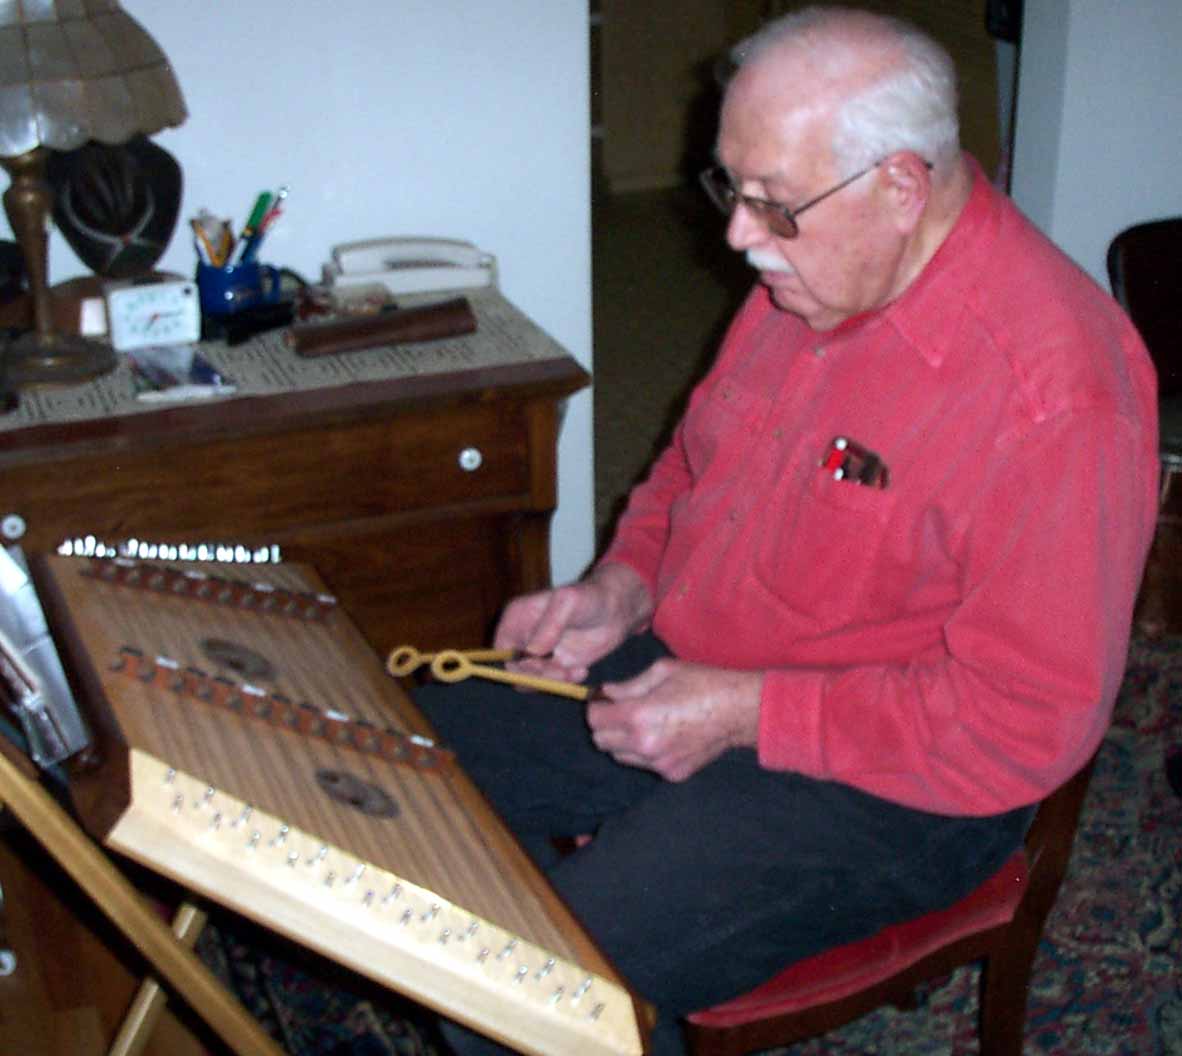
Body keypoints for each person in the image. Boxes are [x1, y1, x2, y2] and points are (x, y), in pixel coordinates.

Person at [416, 7, 1158, 1053]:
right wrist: (620, 588)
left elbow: (1022, 724)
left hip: (904, 783)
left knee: (527, 989)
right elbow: (688, 466)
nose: (737, 236)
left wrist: (744, 712)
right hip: (710, 667)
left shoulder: (1056, 396)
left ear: (902, 186)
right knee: (406, 753)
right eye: (732, 188)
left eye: (773, 205)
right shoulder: (810, 273)